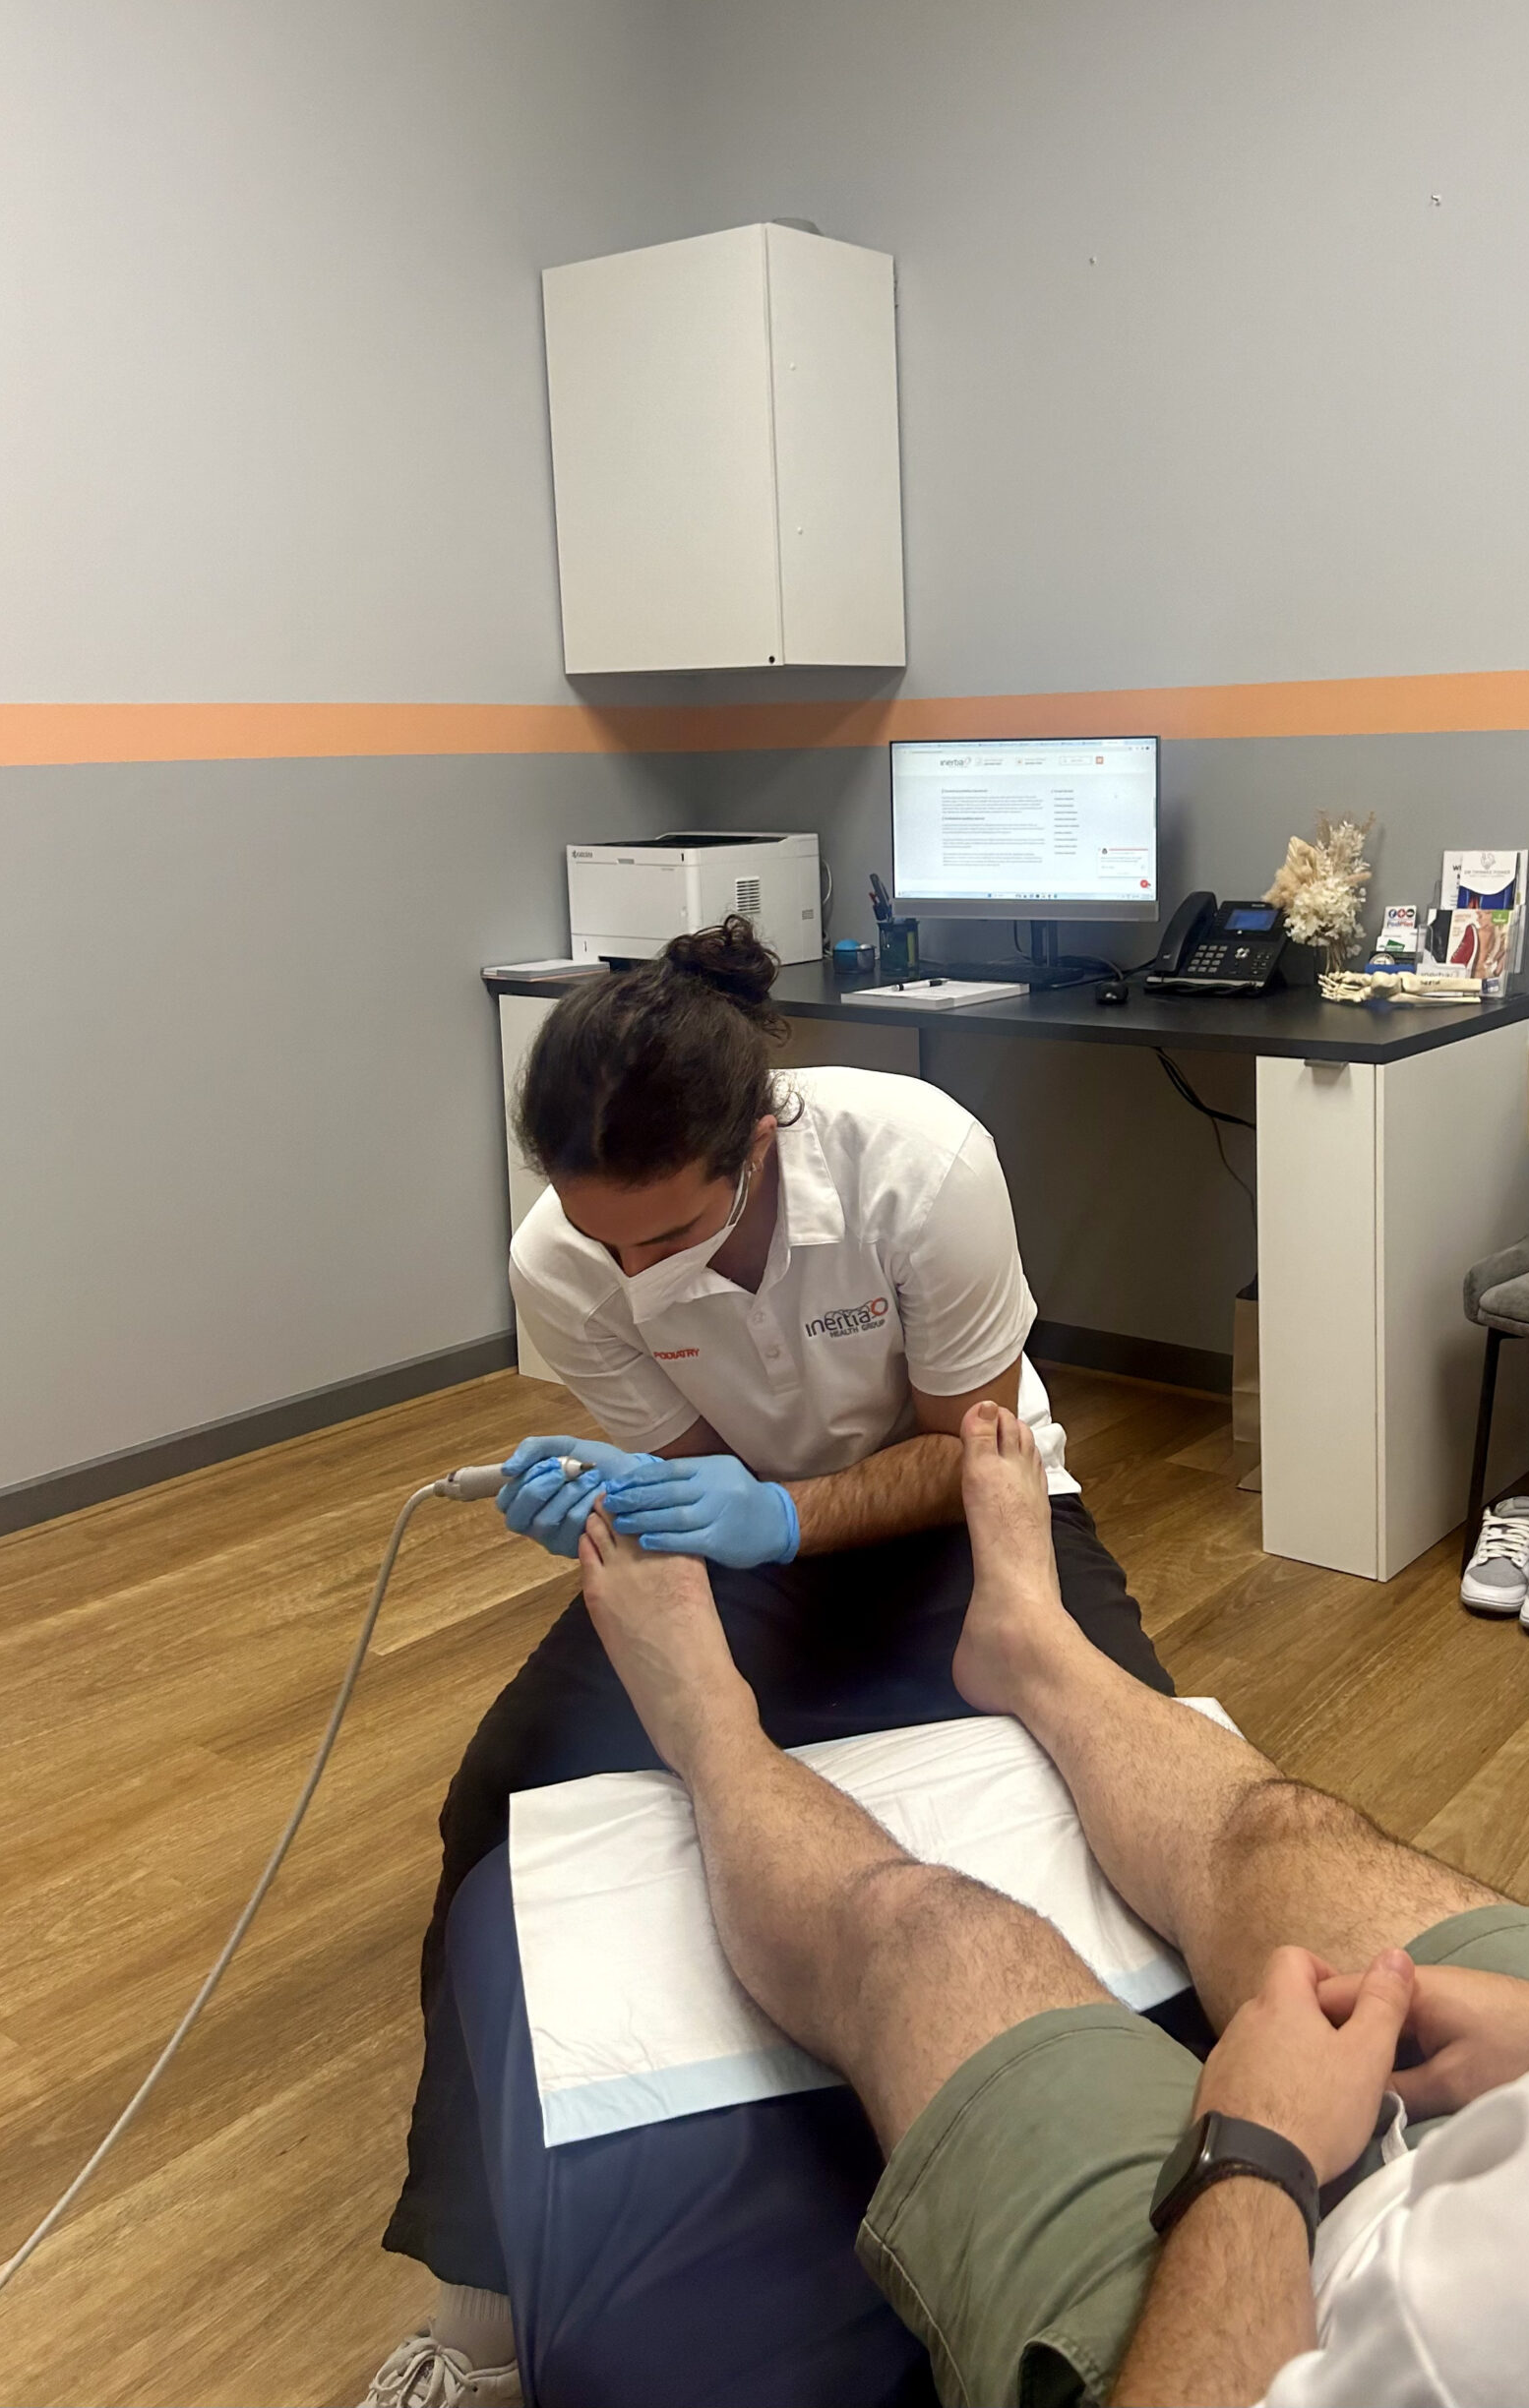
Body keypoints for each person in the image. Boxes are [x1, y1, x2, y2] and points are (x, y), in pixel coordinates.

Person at [565, 889, 1529, 2407]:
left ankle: (713, 1735)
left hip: (1268, 2303)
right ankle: (1041, 1656)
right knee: (1266, 1822)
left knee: (929, 1938)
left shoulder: (916, 1162)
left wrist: (1255, 2153)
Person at [368, 919, 1170, 2405]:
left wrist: (782, 1512)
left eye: (666, 1240)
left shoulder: (917, 1164)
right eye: (604, 1241)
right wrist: (631, 1508)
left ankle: (1166, 2180)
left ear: (758, 1139)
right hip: (750, 1532)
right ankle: (486, 2292)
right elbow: (689, 1474)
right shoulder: (567, 1257)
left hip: (955, 1505)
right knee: (499, 1800)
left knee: (1130, 1754)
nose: (634, 1274)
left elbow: (970, 1448)